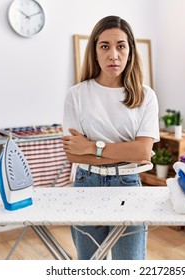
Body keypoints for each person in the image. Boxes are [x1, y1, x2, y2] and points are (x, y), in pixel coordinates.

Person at [62, 15, 159, 260]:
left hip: (128, 185)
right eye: (105, 46)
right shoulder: (76, 95)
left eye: (120, 46)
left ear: (130, 51)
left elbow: (142, 153)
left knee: (131, 265)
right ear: (94, 51)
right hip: (86, 184)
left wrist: (91, 147)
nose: (113, 55)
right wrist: (125, 152)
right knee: (90, 264)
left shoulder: (146, 97)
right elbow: (73, 153)